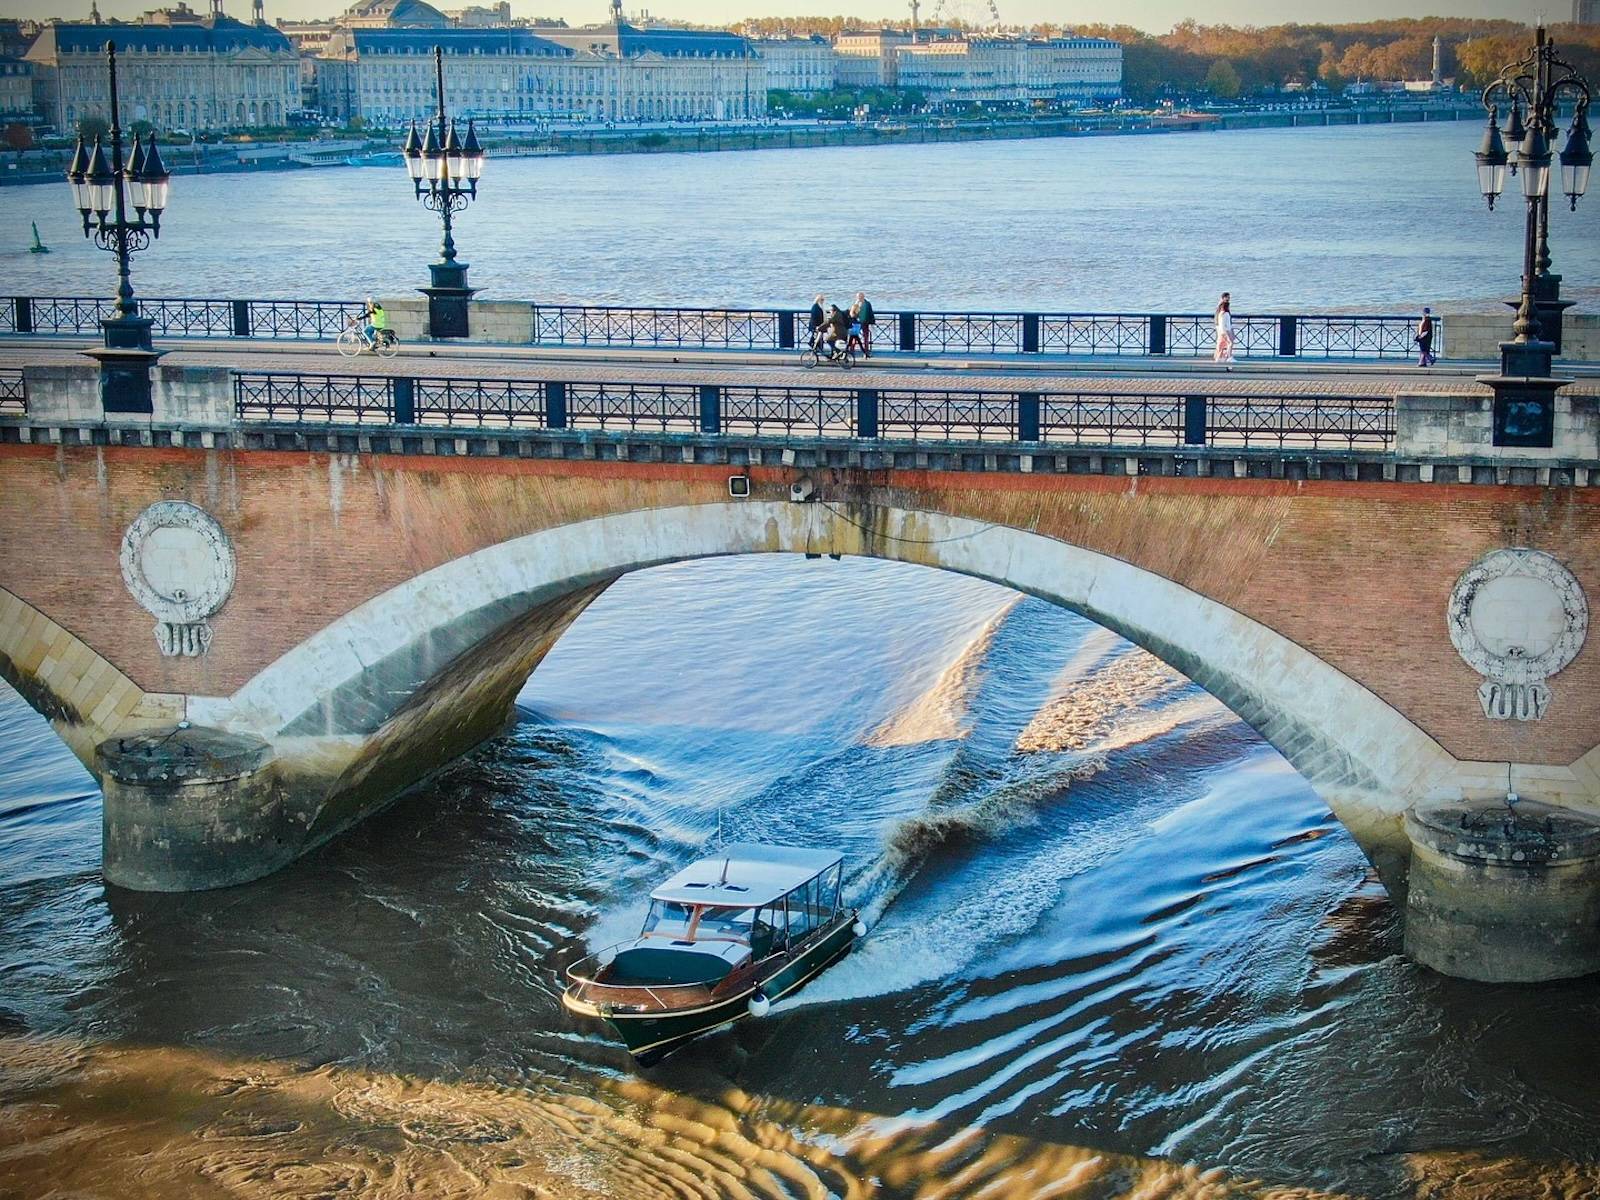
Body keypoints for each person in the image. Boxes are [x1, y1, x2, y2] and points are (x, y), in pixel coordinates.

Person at [1213, 292, 1234, 369]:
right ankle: (1225, 358)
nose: (1228, 299)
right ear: (1223, 298)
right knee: (1224, 343)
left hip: (1223, 328)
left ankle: (1221, 357)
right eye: (1227, 297)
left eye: (1229, 297)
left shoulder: (1222, 307)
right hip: (1222, 328)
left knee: (1222, 343)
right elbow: (1219, 319)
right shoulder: (1222, 307)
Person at [852, 291, 876, 357]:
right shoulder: (856, 304)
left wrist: (872, 322)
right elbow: (852, 313)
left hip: (865, 323)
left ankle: (866, 351)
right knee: (854, 336)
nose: (858, 298)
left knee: (865, 337)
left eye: (860, 297)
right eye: (858, 297)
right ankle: (852, 350)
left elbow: (870, 313)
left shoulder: (867, 304)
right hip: (857, 323)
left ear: (863, 297)